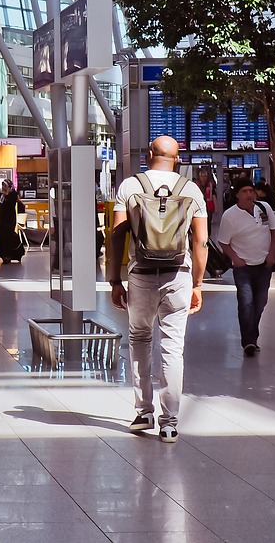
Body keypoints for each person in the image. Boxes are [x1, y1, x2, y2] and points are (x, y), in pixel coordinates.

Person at [106, 135, 208, 443]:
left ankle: (144, 412)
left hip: (141, 275)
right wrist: (199, 284)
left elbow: (116, 236)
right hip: (179, 274)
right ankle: (170, 422)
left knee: (139, 338)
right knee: (172, 346)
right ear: (177, 158)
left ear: (149, 153)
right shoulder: (191, 191)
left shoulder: (130, 186)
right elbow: (201, 242)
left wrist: (114, 280)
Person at [217, 176, 275, 357]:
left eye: (251, 191)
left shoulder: (264, 208)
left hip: (264, 264)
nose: (249, 194)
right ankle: (249, 341)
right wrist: (236, 259)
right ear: (237, 194)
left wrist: (271, 254)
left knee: (260, 302)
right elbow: (223, 243)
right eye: (244, 191)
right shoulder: (229, 216)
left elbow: (274, 233)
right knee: (246, 302)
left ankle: (253, 333)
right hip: (243, 267)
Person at [0, 179, 26, 264]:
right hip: (1, 218)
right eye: (2, 185)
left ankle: (13, 254)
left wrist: (7, 195)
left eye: (5, 186)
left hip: (9, 218)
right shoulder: (0, 195)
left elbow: (11, 204)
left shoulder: (13, 194)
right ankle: (2, 254)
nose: (3, 188)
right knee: (0, 236)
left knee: (9, 236)